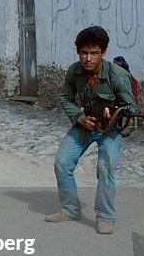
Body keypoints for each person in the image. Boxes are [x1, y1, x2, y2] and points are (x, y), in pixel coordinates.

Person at [45, 26, 136, 234]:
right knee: (62, 162)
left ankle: (105, 216)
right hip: (85, 125)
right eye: (84, 53)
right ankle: (70, 209)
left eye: (94, 53)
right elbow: (65, 98)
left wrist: (113, 113)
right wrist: (79, 117)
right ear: (78, 52)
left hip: (110, 129)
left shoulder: (118, 75)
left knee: (105, 167)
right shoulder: (74, 71)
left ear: (103, 53)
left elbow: (131, 108)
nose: (88, 58)